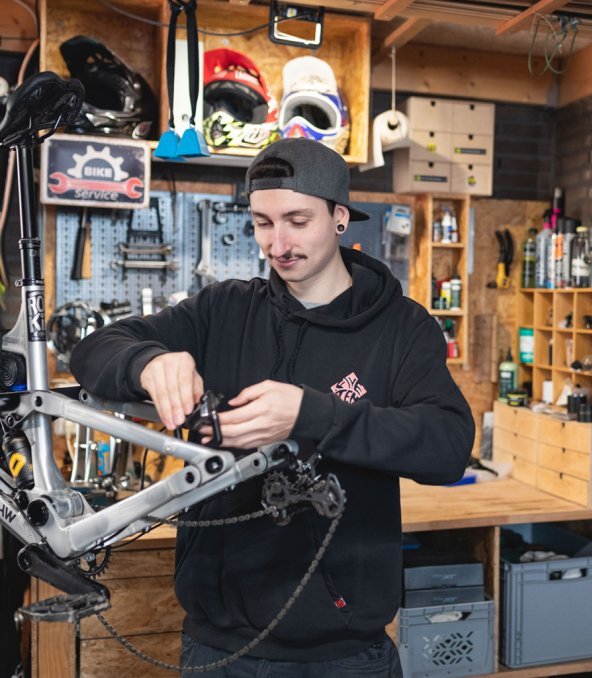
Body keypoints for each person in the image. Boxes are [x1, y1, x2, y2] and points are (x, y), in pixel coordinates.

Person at [70, 137, 475, 677]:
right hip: (220, 649)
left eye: (296, 220)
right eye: (263, 222)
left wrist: (314, 415)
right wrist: (147, 363)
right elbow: (93, 350)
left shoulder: (402, 328)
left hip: (345, 654)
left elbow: (448, 446)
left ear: (339, 217)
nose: (277, 243)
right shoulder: (223, 310)